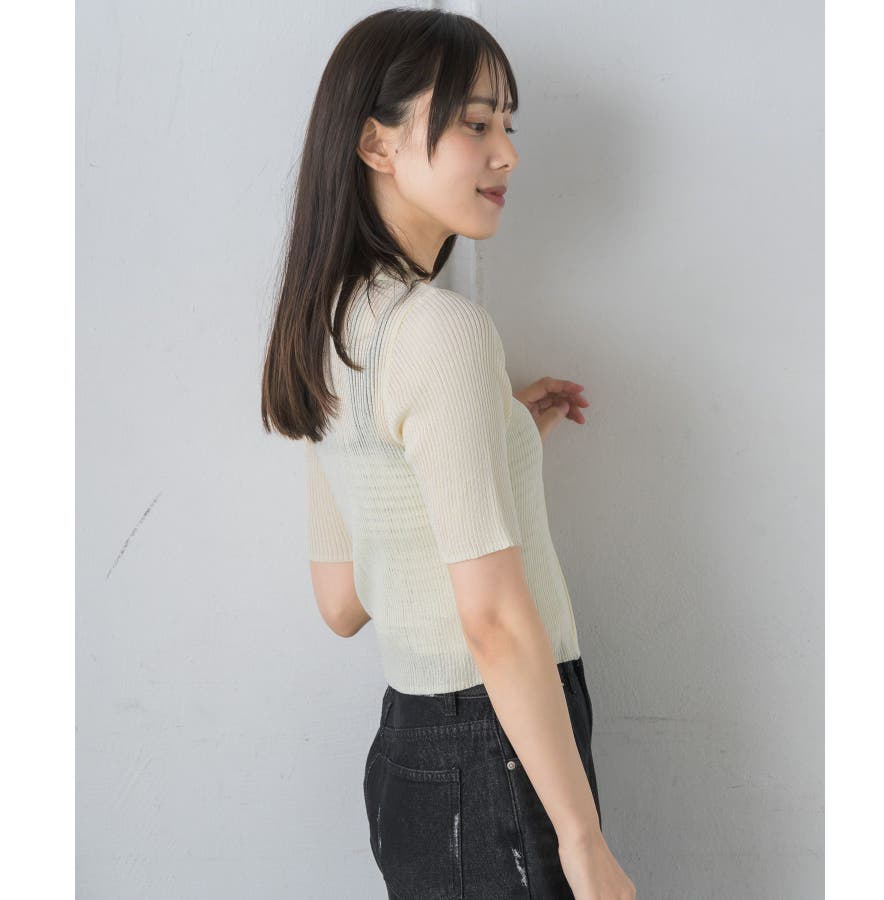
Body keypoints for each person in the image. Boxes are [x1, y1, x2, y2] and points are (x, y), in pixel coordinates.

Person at [261, 7, 636, 899]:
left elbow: (342, 602)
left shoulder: (327, 329)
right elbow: (494, 624)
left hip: (413, 763)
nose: (507, 154)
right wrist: (583, 844)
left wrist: (496, 435)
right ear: (377, 143)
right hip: (499, 756)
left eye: (508, 125)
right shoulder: (440, 331)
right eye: (475, 124)